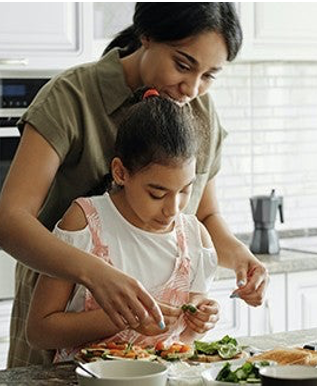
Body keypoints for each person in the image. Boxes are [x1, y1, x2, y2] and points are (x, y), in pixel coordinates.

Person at [0, 3, 269, 367]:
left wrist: (241, 258)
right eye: (183, 65)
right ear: (146, 36)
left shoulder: (200, 109)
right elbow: (9, 221)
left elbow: (204, 213)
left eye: (209, 75)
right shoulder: (72, 97)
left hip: (153, 354)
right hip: (61, 326)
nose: (192, 87)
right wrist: (95, 274)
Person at [26, 89, 219, 362]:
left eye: (185, 190)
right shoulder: (86, 222)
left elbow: (186, 338)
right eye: (157, 193)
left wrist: (201, 320)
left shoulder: (195, 237)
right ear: (120, 172)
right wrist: (123, 319)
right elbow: (39, 331)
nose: (173, 209)